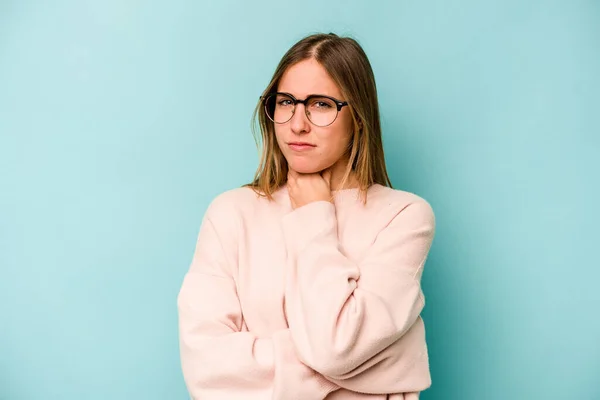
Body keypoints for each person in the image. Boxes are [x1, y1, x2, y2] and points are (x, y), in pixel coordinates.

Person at [177, 32, 436, 400]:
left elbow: (333, 347)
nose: (297, 124)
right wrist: (387, 365)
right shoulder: (231, 214)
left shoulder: (405, 217)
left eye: (320, 104)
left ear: (358, 116)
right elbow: (207, 371)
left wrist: (314, 214)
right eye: (286, 102)